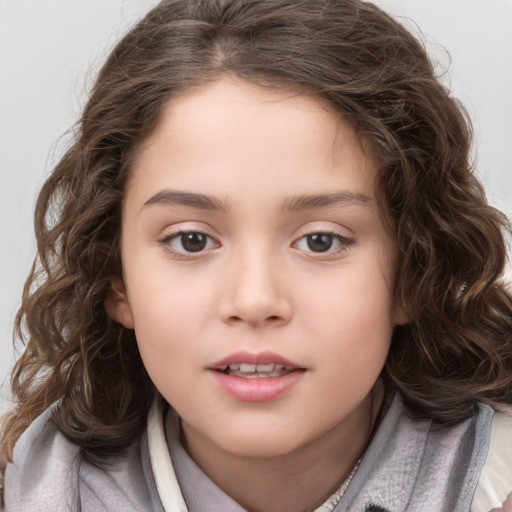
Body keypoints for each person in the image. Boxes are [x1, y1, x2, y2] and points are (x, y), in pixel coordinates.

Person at [1, 0, 512, 510]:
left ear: (414, 272)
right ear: (116, 278)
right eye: (191, 240)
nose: (254, 299)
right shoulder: (28, 490)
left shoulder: (495, 477)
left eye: (321, 240)